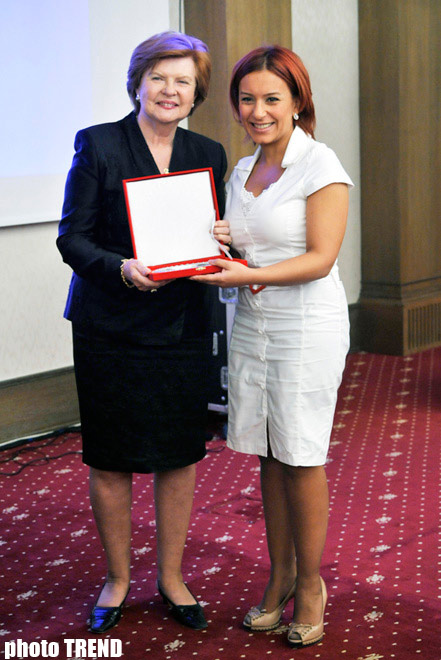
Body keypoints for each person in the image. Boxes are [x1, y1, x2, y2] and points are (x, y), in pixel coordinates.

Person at [57, 31, 230, 633]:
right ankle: (117, 578)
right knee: (111, 457)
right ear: (138, 83)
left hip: (182, 326)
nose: (169, 90)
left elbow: (209, 237)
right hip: (110, 324)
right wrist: (122, 269)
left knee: (179, 455)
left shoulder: (208, 152)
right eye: (159, 77)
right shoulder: (99, 144)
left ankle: (172, 577)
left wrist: (222, 239)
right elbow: (72, 239)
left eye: (183, 81)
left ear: (196, 94)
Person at [191, 45, 353, 648]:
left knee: (300, 454)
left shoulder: (321, 165)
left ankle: (310, 585)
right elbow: (250, 248)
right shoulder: (240, 170)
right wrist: (223, 245)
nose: (257, 111)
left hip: (306, 326)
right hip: (253, 324)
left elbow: (320, 258)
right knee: (267, 451)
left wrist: (244, 272)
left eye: (271, 99)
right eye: (247, 99)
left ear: (297, 101)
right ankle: (280, 574)